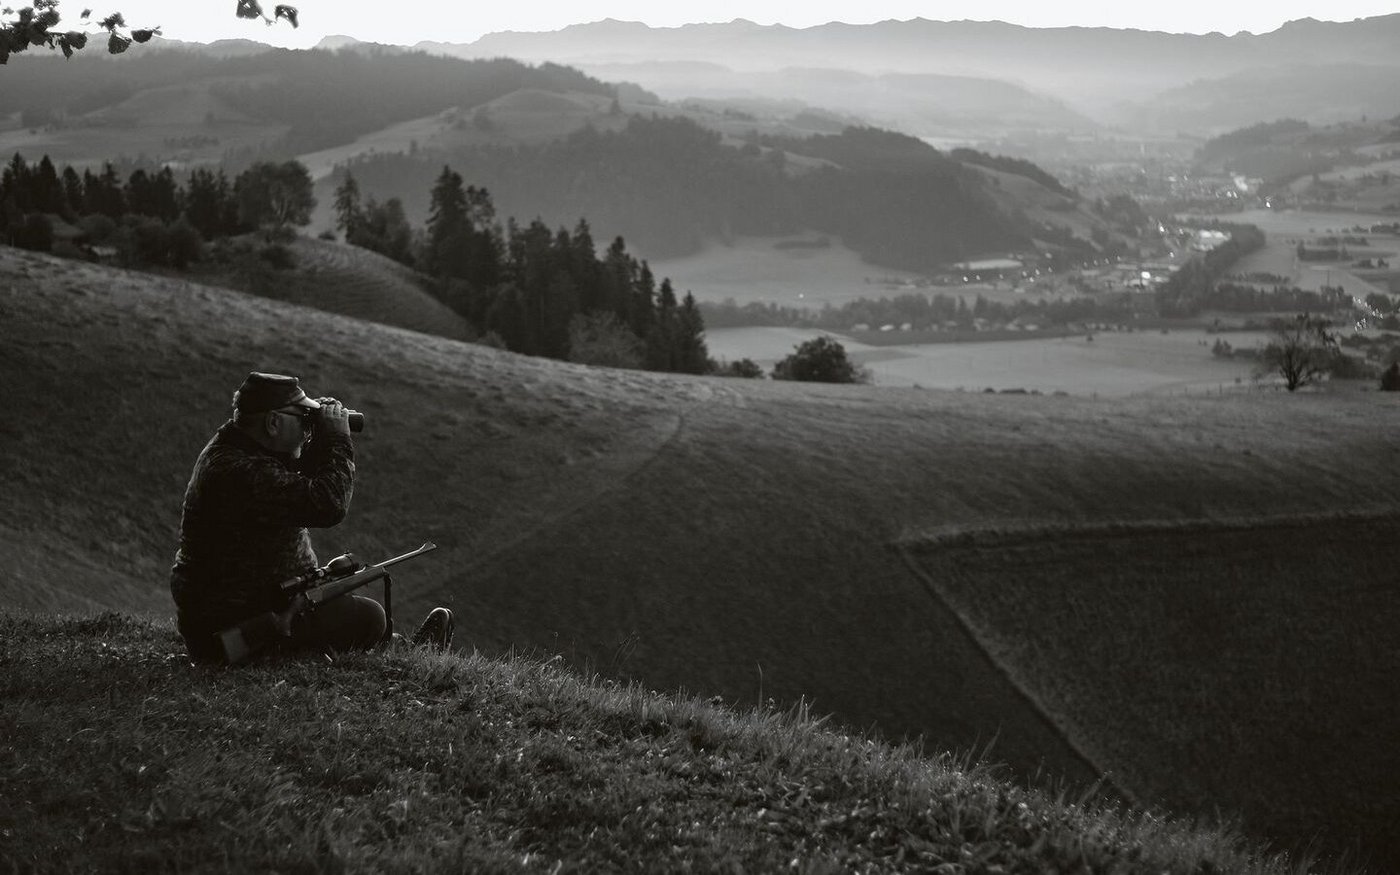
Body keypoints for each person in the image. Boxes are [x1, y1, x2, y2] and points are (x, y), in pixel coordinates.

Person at [170, 371, 453, 664]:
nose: (307, 427)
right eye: (302, 419)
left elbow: (293, 479)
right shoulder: (239, 471)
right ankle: (401, 649)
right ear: (273, 422)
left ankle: (396, 646)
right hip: (238, 619)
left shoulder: (236, 449)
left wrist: (319, 438)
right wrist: (338, 440)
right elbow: (328, 504)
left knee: (352, 615)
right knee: (371, 617)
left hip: (242, 605)